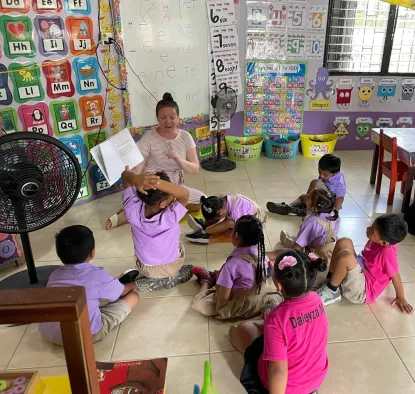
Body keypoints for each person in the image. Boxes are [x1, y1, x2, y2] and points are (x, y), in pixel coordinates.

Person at [229, 250, 328, 394]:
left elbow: (278, 370)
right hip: (315, 380)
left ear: (279, 286)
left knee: (244, 329)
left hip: (287, 387)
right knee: (269, 330)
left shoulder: (277, 318)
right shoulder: (317, 300)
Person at [105, 92, 205, 230]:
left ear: (178, 118)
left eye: (172, 117)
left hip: (175, 186)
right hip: (154, 186)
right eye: (163, 117)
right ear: (157, 118)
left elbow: (195, 169)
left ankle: (141, 207)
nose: (168, 121)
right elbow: (138, 169)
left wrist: (178, 158)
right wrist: (129, 173)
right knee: (156, 202)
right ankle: (128, 213)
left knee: (203, 200)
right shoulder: (149, 137)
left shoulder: (186, 137)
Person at [39, 225, 139, 345]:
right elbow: (122, 292)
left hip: (49, 333)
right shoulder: (97, 275)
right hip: (83, 335)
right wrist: (132, 285)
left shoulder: (54, 275)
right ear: (92, 252)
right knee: (133, 297)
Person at [316, 214, 413, 313]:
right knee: (344, 241)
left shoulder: (387, 253)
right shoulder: (383, 239)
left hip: (363, 290)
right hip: (362, 270)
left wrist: (400, 297)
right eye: (371, 226)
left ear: (384, 243)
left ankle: (332, 292)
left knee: (345, 256)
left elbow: (395, 276)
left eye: (372, 230)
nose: (368, 228)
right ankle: (331, 280)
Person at [120, 168, 193, 291]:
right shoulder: (171, 216)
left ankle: (154, 278)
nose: (174, 195)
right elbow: (184, 194)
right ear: (163, 204)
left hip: (145, 267)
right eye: (171, 192)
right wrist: (158, 183)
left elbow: (124, 176)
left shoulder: (131, 210)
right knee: (179, 244)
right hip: (172, 266)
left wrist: (136, 178)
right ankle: (169, 278)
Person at [191, 215, 270, 319]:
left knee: (198, 303)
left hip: (240, 305)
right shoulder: (262, 254)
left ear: (236, 235)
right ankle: (218, 277)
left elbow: (222, 298)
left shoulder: (232, 265)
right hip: (259, 301)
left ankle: (206, 280)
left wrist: (219, 287)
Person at [267, 189, 339, 264]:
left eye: (308, 198)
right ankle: (290, 239)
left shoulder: (311, 221)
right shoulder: (333, 214)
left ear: (314, 208)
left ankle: (260, 256)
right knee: (299, 239)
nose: (306, 196)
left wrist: (292, 254)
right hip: (331, 251)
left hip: (315, 254)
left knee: (281, 252)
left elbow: (297, 247)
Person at [267, 153, 346, 218]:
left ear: (334, 173)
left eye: (325, 174)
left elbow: (340, 198)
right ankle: (291, 206)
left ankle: (301, 208)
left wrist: (334, 211)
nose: (321, 176)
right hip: (322, 194)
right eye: (319, 172)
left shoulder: (338, 184)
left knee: (313, 185)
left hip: (326, 204)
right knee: (304, 195)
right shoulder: (329, 173)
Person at [185, 194, 267, 244]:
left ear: (221, 213)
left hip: (257, 219)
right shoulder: (224, 200)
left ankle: (203, 232)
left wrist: (233, 231)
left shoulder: (236, 212)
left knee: (228, 222)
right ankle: (206, 226)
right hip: (245, 213)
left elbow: (239, 226)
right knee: (225, 220)